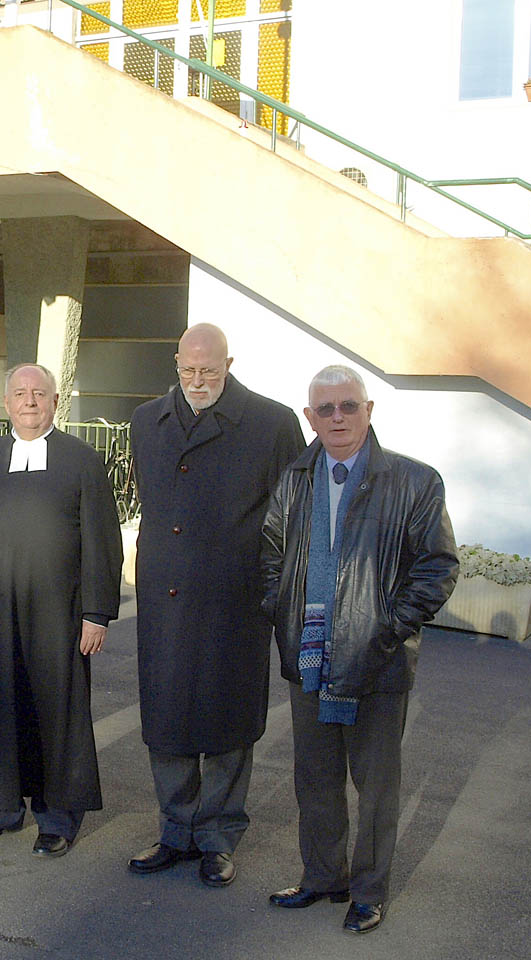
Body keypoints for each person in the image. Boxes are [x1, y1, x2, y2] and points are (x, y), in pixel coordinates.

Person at [260, 364, 457, 934]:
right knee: (315, 777)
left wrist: (387, 629)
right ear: (310, 417)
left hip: (377, 658)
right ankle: (323, 875)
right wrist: (283, 611)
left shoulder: (416, 481)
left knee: (375, 785)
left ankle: (368, 891)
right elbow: (270, 553)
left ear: (369, 410)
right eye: (326, 409)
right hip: (310, 656)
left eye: (349, 406)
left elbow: (437, 567)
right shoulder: (296, 477)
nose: (338, 417)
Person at [128, 323, 304, 886]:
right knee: (167, 719)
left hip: (235, 602)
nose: (197, 381)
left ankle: (219, 838)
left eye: (209, 369)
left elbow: (291, 520)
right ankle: (175, 831)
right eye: (188, 370)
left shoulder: (273, 423)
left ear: (230, 363)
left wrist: (273, 592)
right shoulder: (145, 421)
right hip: (164, 602)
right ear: (175, 362)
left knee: (227, 723)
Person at [0, 363, 123, 858]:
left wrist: (97, 613)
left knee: (54, 711)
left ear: (54, 400)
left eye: (38, 393)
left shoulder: (82, 461)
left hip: (57, 616)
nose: (29, 401)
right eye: (20, 393)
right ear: (6, 404)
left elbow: (103, 544)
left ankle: (56, 816)